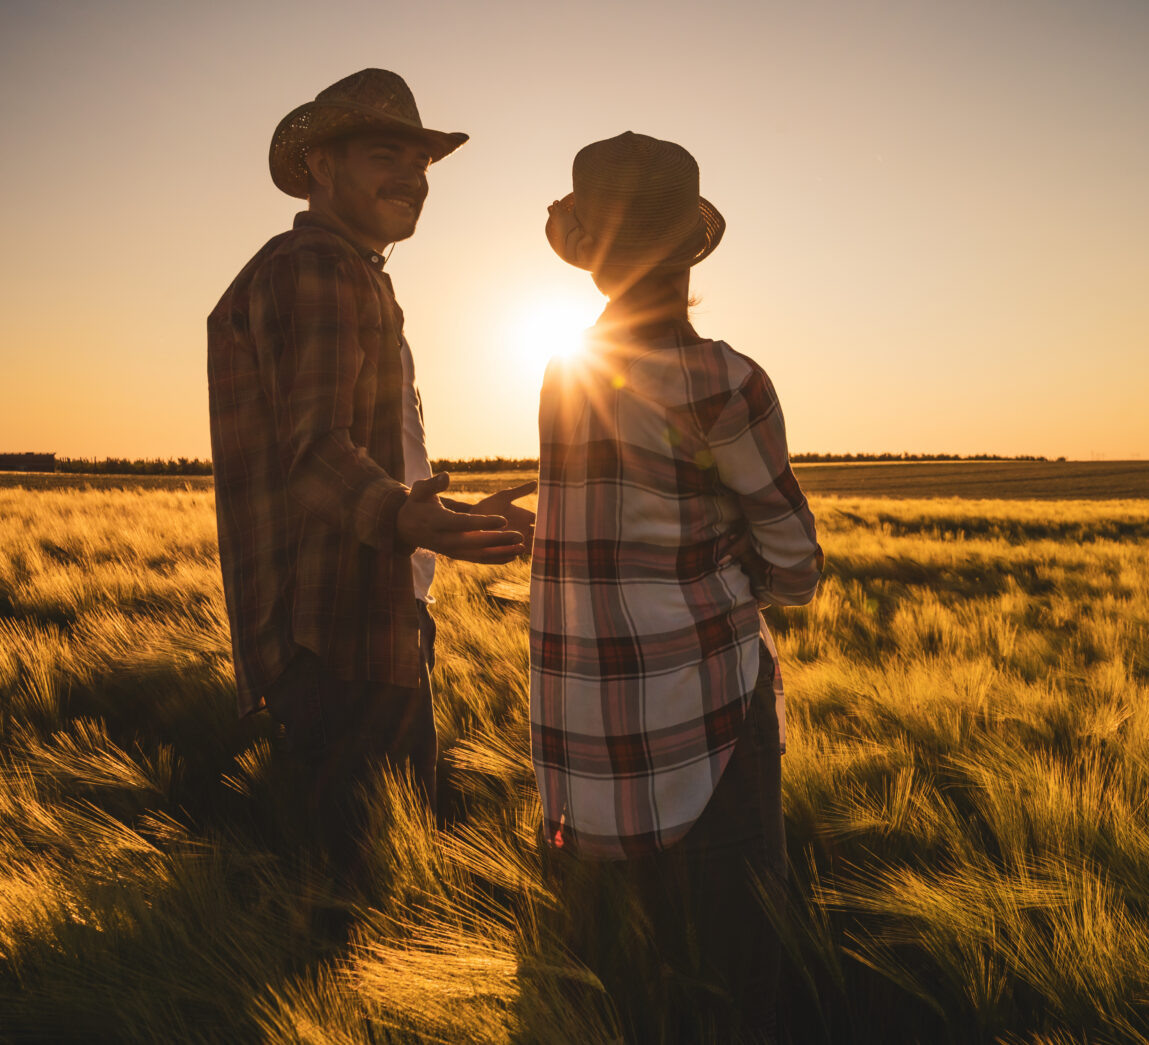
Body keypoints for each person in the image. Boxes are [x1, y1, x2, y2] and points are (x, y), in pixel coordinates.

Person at [531, 131, 824, 1044]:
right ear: (692, 248)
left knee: (617, 986)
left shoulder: (561, 374)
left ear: (591, 259)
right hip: (707, 728)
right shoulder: (726, 382)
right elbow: (798, 566)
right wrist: (730, 556)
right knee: (735, 982)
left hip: (580, 743)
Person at [207, 69, 533, 881]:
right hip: (338, 632)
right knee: (365, 897)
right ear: (321, 164)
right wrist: (409, 520)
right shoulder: (317, 265)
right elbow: (313, 451)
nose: (412, 180)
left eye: (421, 164)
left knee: (362, 879)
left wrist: (438, 513)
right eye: (386, 154)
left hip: (359, 620)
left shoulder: (349, 271)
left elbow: (354, 457)